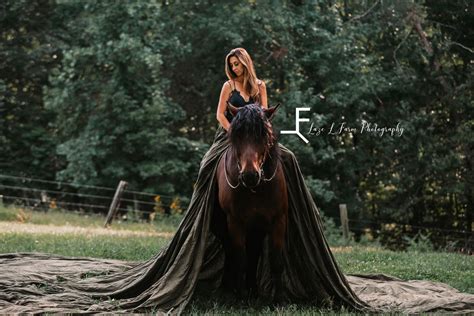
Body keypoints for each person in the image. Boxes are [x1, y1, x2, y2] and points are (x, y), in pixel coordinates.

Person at [1, 48, 473, 314]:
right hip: (233, 137)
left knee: (287, 159)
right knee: (209, 167)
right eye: (229, 68)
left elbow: (266, 114)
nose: (233, 72)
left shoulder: (259, 85)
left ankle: (300, 216)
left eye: (236, 66)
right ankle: (197, 230)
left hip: (260, 137)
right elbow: (217, 115)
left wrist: (260, 132)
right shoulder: (227, 90)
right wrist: (232, 132)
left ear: (244, 64)